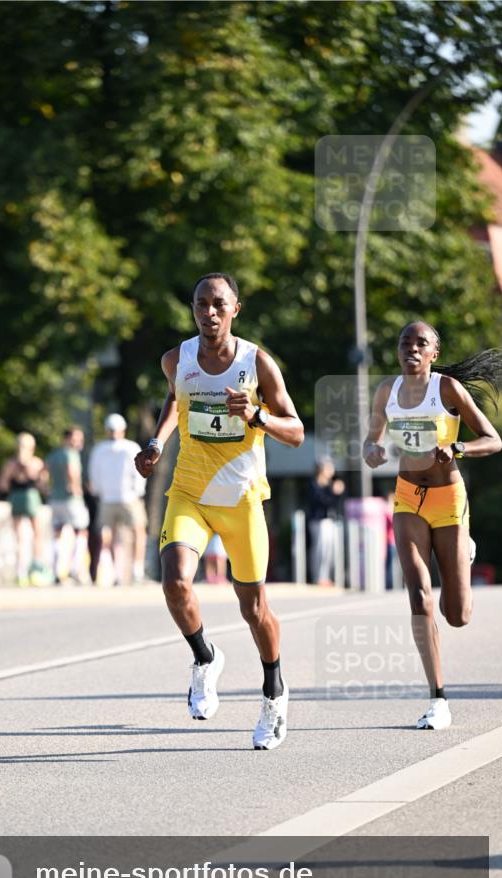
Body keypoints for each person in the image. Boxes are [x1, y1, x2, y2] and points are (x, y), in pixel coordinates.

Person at [135, 272, 304, 750]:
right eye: (200, 304)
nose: (208, 313)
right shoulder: (177, 359)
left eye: (217, 304)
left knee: (254, 609)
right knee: (174, 581)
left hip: (242, 500)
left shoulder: (258, 364)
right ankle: (205, 658)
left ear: (235, 309)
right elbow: (175, 400)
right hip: (189, 491)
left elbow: (296, 430)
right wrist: (156, 443)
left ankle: (274, 692)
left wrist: (256, 416)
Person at [363, 321, 502, 730]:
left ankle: (463, 546)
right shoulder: (386, 392)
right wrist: (372, 450)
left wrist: (457, 446)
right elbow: (371, 440)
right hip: (408, 498)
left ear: (433, 354)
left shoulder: (446, 390)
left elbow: (492, 439)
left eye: (420, 343)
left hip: (448, 499)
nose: (411, 348)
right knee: (420, 594)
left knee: (457, 613)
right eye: (404, 342)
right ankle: (438, 698)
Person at [88, 413, 147, 585]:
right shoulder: (131, 447)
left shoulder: (99, 449)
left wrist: (99, 492)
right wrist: (138, 491)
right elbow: (139, 472)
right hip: (128, 497)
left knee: (110, 534)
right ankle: (136, 570)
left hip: (109, 498)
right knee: (138, 531)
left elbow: (94, 475)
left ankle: (117, 571)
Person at [0, 432, 50, 586]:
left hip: (16, 497)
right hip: (31, 496)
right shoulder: (36, 463)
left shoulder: (10, 464)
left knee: (19, 536)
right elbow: (43, 485)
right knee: (37, 535)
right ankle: (36, 568)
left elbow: (3, 485)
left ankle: (21, 571)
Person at [46, 427, 91, 584]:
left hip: (55, 499)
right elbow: (72, 472)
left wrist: (47, 490)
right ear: (66, 439)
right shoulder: (70, 454)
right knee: (81, 532)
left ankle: (56, 570)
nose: (78, 442)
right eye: (75, 438)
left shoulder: (54, 455)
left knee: (57, 535)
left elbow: (43, 474)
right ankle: (75, 570)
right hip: (71, 499)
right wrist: (76, 489)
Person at [306, 457, 345, 585]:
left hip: (330, 521)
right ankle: (318, 577)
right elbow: (322, 501)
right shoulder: (314, 484)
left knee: (330, 551)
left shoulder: (329, 485)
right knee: (320, 550)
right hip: (318, 521)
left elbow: (334, 503)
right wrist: (333, 492)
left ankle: (326, 577)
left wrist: (335, 492)